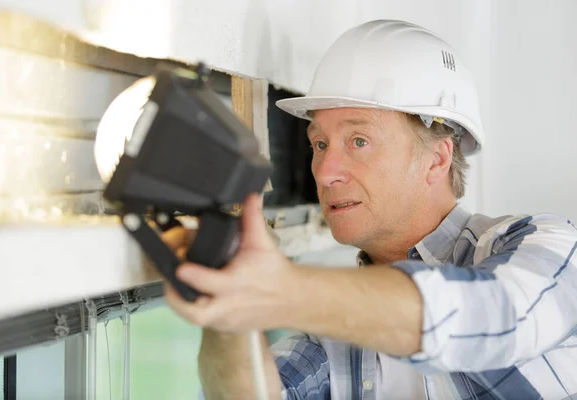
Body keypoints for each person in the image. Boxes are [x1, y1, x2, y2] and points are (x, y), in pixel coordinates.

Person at [162, 20, 577, 399]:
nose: (324, 172)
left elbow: (494, 316)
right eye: (320, 144)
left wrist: (282, 290)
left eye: (358, 141)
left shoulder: (548, 249)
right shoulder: (338, 335)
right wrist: (226, 296)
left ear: (437, 159)